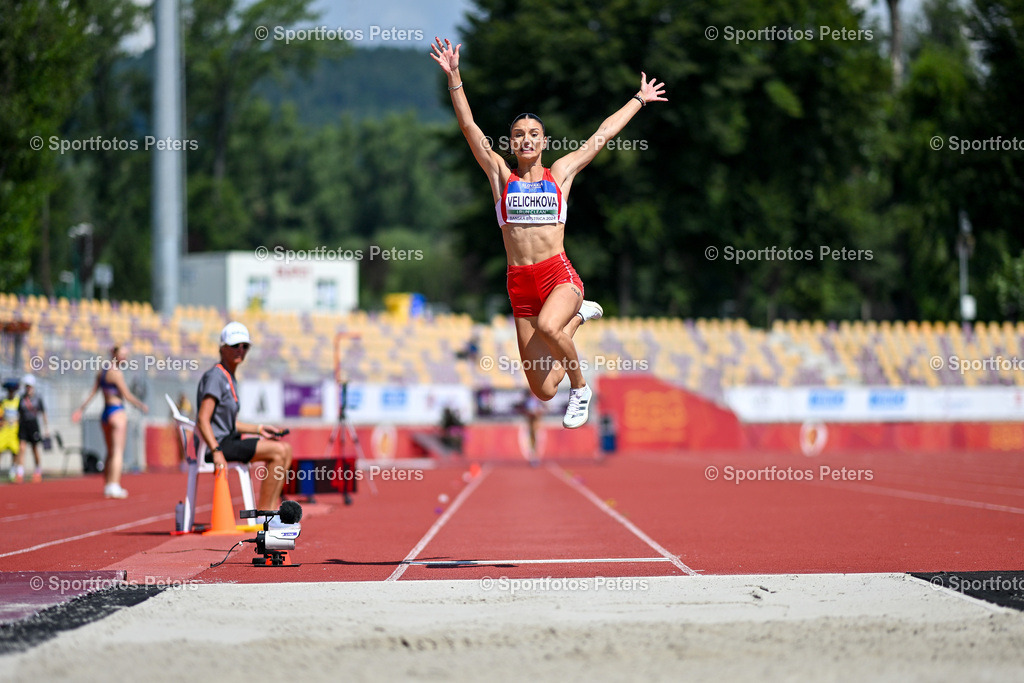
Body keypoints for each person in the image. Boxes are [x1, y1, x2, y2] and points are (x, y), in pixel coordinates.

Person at [430, 37, 667, 428]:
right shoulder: (500, 176)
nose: (526, 138)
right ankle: (577, 321)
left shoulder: (559, 175)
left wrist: (638, 100)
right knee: (542, 389)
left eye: (533, 133)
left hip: (559, 276)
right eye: (519, 133)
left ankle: (582, 388)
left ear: (544, 141)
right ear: (511, 143)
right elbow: (469, 127)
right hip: (520, 286)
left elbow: (601, 136)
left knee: (548, 328)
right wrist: (455, 75)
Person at [195, 322, 292, 511]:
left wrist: (259, 429)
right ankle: (266, 513)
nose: (240, 350)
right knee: (278, 451)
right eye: (234, 345)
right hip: (217, 445)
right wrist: (216, 451)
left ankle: (272, 510)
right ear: (222, 348)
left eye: (244, 346)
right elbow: (203, 419)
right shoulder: (216, 376)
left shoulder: (229, 376)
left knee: (286, 449)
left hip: (226, 440)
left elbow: (228, 423)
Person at [73, 346, 149, 498]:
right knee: (118, 452)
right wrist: (141, 405)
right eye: (123, 355)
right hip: (117, 412)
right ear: (115, 355)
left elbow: (93, 393)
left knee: (110, 451)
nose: (126, 358)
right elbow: (127, 395)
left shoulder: (102, 372)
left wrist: (80, 409)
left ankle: (108, 484)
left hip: (105, 414)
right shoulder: (116, 373)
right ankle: (115, 485)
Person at [15, 375, 48, 483]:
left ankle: (38, 470)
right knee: (22, 448)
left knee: (34, 449)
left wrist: (46, 428)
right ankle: (20, 473)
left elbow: (43, 413)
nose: (28, 388)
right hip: (23, 425)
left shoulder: (38, 398)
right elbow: (19, 413)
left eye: (29, 386)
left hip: (33, 425)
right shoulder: (21, 398)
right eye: (26, 386)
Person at [1, 380, 21, 481]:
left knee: (15, 452)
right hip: (4, 431)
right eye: (9, 391)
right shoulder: (3, 402)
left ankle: (13, 471)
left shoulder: (18, 401)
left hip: (14, 431)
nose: (11, 393)